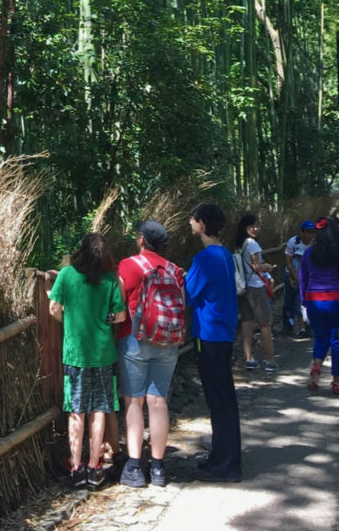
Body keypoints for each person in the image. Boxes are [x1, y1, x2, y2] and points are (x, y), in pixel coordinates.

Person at [46, 233, 126, 489]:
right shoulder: (110, 279)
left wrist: (66, 322)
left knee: (76, 411)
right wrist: (106, 318)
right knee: (99, 410)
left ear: (81, 251)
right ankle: (94, 467)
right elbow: (121, 316)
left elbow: (53, 309)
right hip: (103, 353)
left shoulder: (67, 275)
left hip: (75, 354)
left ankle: (76, 466)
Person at [116, 219, 184, 488]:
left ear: (141, 239)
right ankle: (157, 468)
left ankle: (134, 466)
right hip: (168, 340)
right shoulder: (175, 270)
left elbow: (119, 303)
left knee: (134, 402)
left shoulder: (129, 265)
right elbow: (180, 304)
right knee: (158, 402)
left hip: (135, 338)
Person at [185, 202, 242, 483]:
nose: (190, 224)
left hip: (208, 334)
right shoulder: (225, 255)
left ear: (203, 224)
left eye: (193, 220)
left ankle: (227, 463)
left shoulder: (204, 258)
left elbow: (190, 292)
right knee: (224, 397)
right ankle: (222, 455)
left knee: (218, 399)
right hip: (224, 332)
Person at [299, 216, 339, 394]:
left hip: (314, 300)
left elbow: (303, 279)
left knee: (321, 337)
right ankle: (336, 382)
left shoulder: (309, 252)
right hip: (335, 299)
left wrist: (304, 301)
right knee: (337, 341)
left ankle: (316, 370)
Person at [234, 212, 277, 372]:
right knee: (265, 323)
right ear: (245, 228)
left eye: (257, 225)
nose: (255, 228)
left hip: (244, 287)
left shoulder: (241, 244)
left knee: (246, 322)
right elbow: (257, 267)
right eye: (252, 226)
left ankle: (249, 359)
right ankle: (270, 361)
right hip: (256, 287)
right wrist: (268, 267)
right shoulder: (252, 244)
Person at [282, 220, 316, 336]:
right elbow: (288, 260)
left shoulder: (315, 243)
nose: (310, 235)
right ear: (302, 232)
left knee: (303, 302)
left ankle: (306, 327)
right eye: (308, 232)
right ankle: (288, 326)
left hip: (308, 276)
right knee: (288, 301)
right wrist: (295, 278)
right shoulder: (293, 242)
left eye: (312, 232)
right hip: (292, 274)